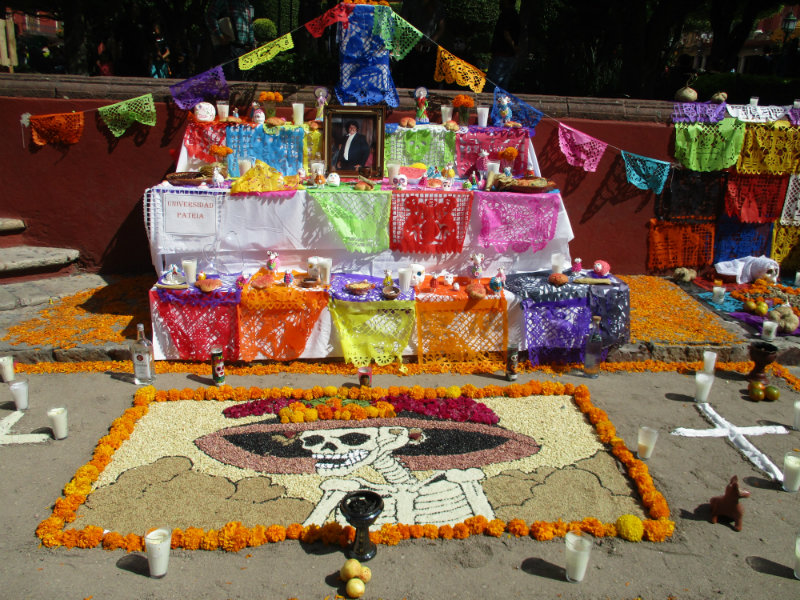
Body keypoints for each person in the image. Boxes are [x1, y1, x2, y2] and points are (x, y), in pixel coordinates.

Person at [205, 0, 255, 80]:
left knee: (240, 81)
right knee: (227, 79)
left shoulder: (247, 4)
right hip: (226, 47)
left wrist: (252, 43)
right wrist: (220, 35)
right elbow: (210, 17)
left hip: (242, 49)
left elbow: (250, 25)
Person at [487, 0, 520, 91]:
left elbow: (506, 32)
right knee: (503, 84)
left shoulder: (506, 14)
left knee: (493, 83)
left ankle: (489, 102)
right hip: (508, 54)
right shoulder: (514, 14)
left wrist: (513, 46)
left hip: (503, 53)